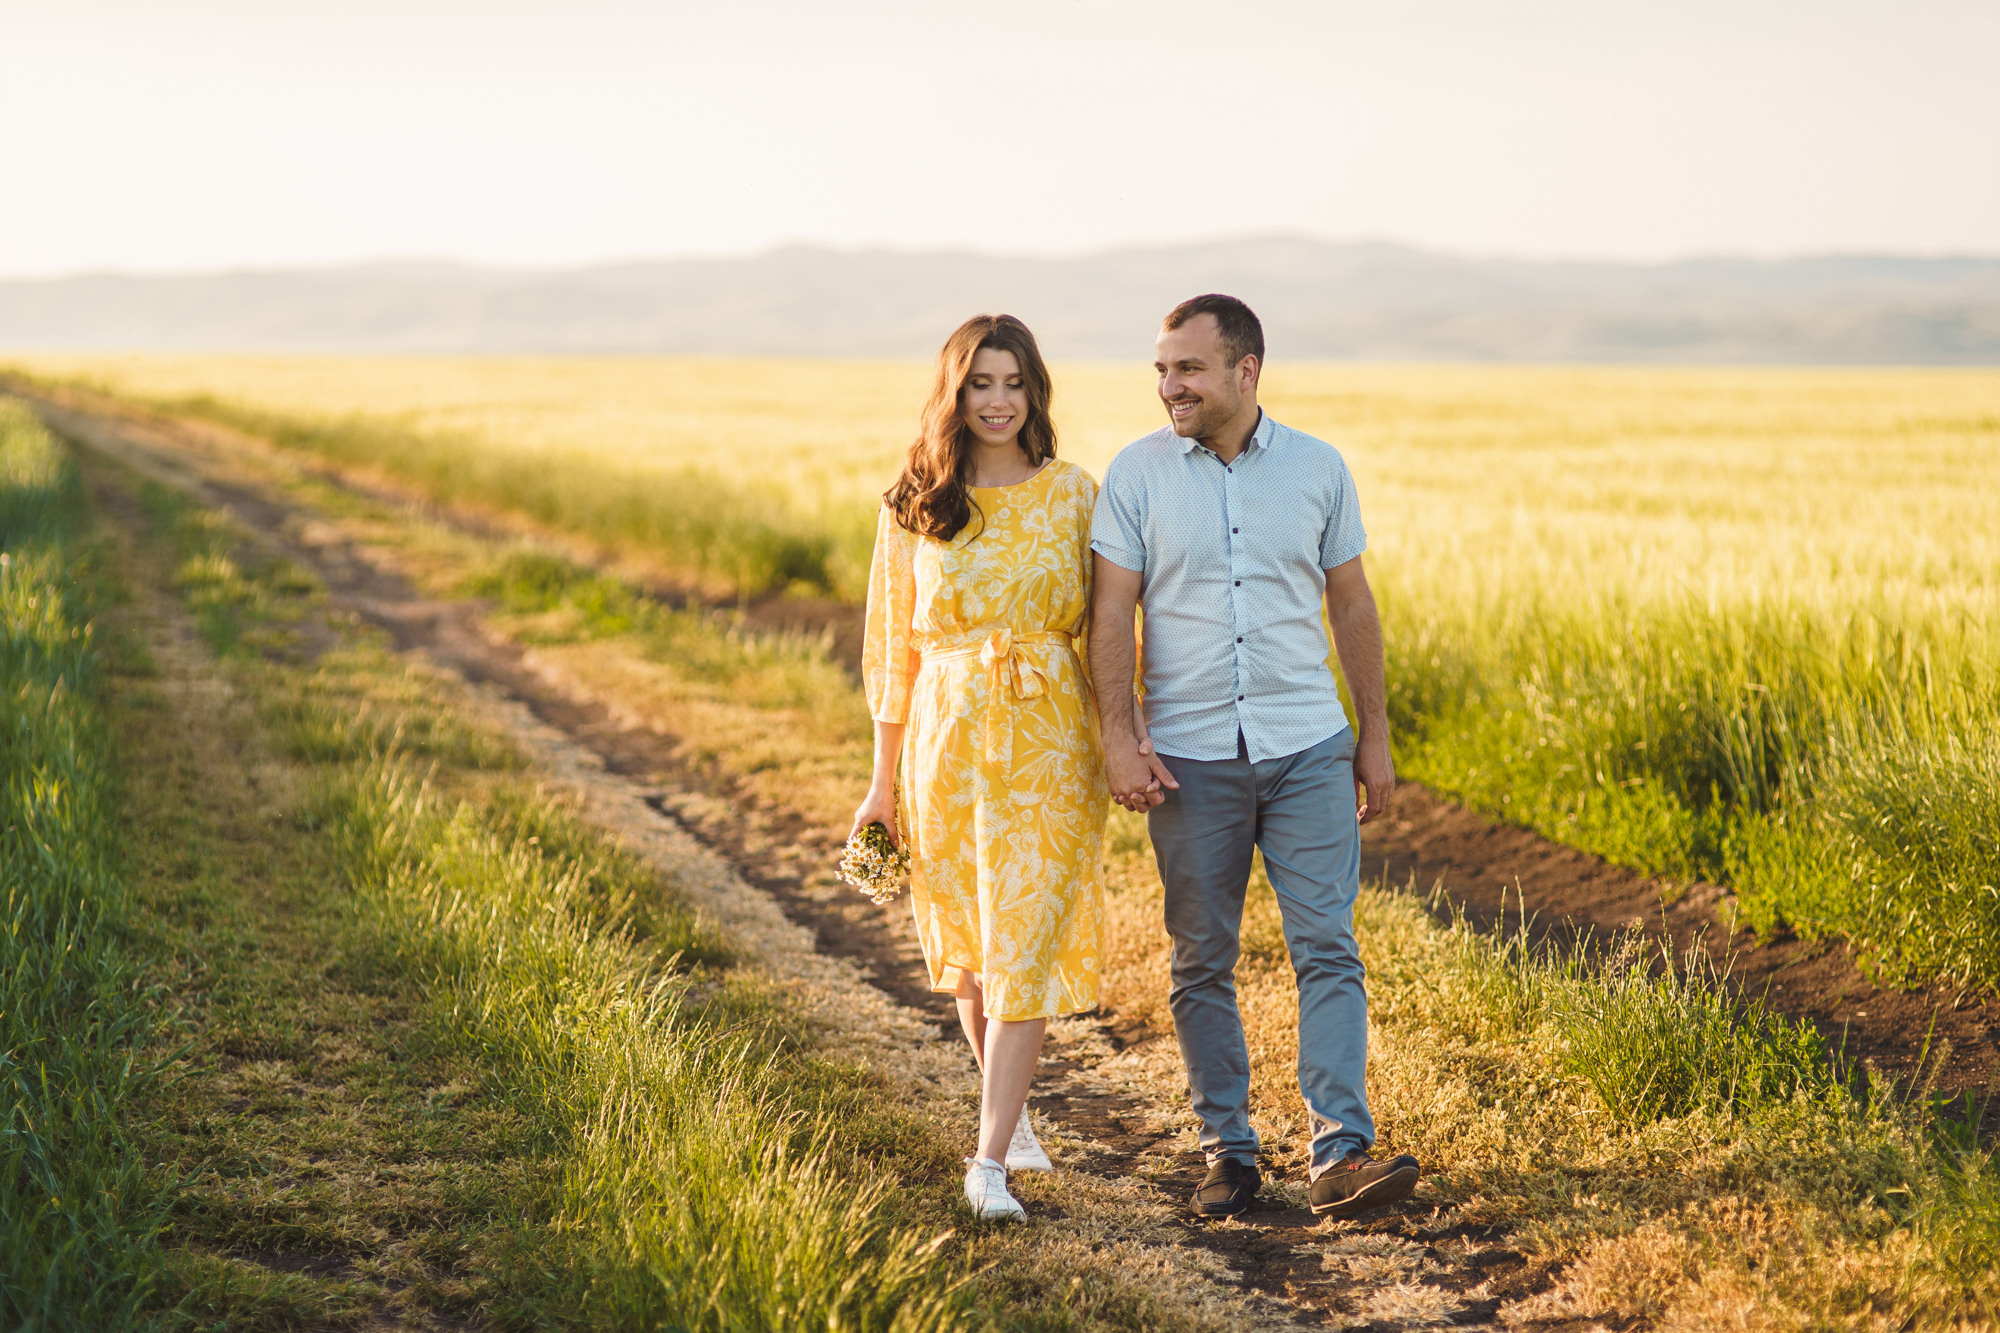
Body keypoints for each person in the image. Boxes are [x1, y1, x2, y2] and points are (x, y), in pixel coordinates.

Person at [1088, 294, 1420, 1220]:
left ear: (1246, 371)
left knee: (1328, 946)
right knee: (1201, 957)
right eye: (1160, 369)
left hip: (1307, 742)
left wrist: (1374, 732)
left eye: (1186, 369)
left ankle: (1340, 1150)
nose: (1168, 386)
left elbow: (1351, 604)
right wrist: (1121, 733)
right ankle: (1227, 1149)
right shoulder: (1137, 475)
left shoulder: (1317, 468)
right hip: (1190, 755)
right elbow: (1111, 612)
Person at [853, 314, 1110, 1223]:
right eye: (979, 385)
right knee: (970, 955)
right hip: (945, 744)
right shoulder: (916, 503)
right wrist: (881, 784)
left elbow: (1116, 632)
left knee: (1024, 946)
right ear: (953, 394)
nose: (998, 402)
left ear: (1035, 392)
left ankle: (988, 1160)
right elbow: (893, 653)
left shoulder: (1076, 494)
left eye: (1013, 384)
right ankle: (1016, 1113)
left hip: (1047, 743)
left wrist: (1129, 733)